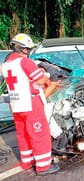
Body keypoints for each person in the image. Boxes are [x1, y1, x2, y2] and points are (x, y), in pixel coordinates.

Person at [1, 33, 59, 175]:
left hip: (16, 105)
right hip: (30, 104)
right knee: (40, 134)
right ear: (25, 49)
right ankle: (43, 166)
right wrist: (46, 74)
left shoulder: (5, 65)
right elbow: (39, 81)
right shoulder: (25, 62)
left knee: (23, 134)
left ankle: (27, 161)